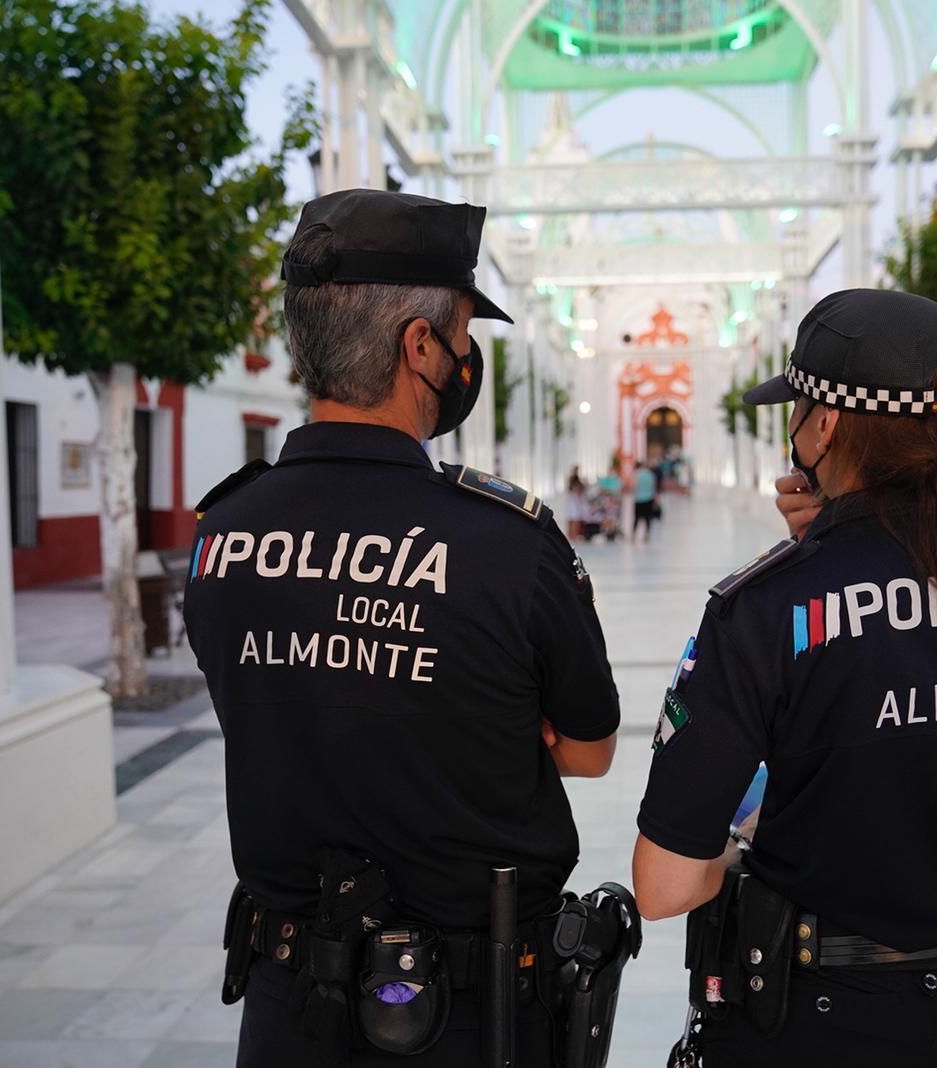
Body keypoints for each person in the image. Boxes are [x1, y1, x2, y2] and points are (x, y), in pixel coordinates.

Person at [184, 190, 623, 1067]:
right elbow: (588, 750)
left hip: (285, 1014)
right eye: (461, 337)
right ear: (418, 346)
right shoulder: (507, 545)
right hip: (472, 1019)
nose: (465, 358)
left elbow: (277, 699)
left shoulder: (223, 533)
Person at [633, 289, 937, 1067]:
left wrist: (827, 559)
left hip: (813, 1021)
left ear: (826, 424)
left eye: (798, 407)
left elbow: (665, 887)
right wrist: (841, 539)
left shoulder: (770, 604)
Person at [633, 460, 659, 542]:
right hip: (649, 499)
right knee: (647, 518)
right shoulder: (650, 475)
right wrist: (655, 499)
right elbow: (654, 488)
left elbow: (633, 486)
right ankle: (647, 534)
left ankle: (634, 534)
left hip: (638, 499)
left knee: (637, 517)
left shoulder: (637, 475)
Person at [566, 468, 589, 541]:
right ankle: (573, 536)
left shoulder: (572, 482)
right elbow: (577, 492)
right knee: (575, 520)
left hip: (573, 504)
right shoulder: (575, 483)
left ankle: (572, 536)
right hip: (575, 504)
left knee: (572, 520)